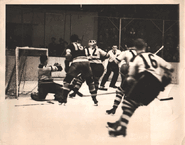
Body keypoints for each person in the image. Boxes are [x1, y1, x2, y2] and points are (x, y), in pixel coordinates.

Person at [107, 38, 174, 137]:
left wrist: (132, 85)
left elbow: (130, 76)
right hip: (157, 84)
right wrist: (162, 84)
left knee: (127, 103)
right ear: (145, 46)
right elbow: (170, 68)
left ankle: (122, 128)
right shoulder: (154, 56)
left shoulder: (137, 58)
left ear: (135, 47)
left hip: (144, 80)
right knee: (132, 105)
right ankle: (120, 124)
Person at [58, 34, 97, 105]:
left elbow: (68, 55)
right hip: (86, 62)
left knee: (67, 81)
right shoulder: (82, 46)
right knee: (90, 81)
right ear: (77, 40)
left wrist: (67, 66)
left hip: (76, 62)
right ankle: (95, 100)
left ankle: (63, 99)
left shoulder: (70, 46)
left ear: (70, 40)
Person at [106, 41, 137, 115]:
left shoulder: (125, 52)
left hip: (128, 73)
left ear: (126, 46)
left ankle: (114, 108)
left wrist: (123, 63)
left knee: (120, 91)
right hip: (138, 74)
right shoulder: (139, 53)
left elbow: (116, 61)